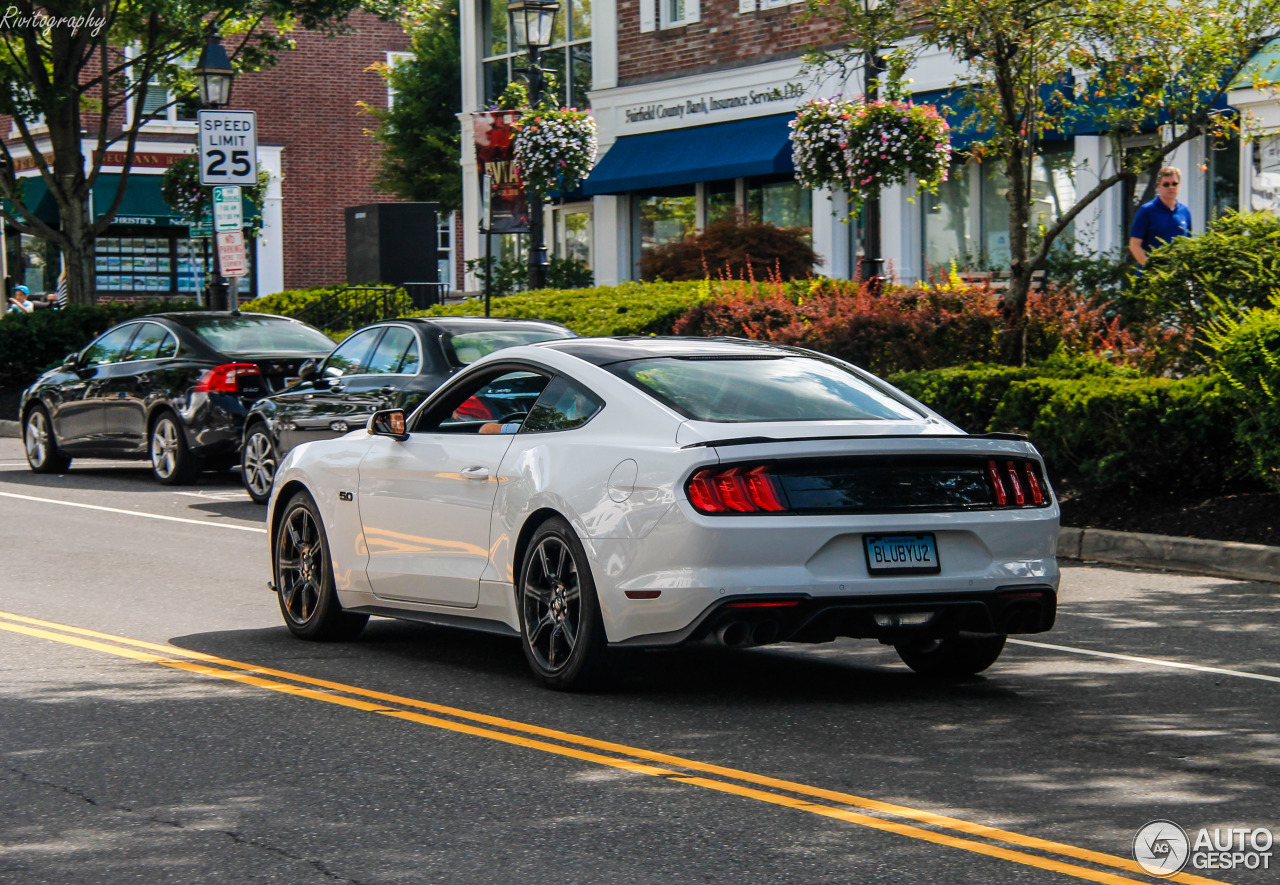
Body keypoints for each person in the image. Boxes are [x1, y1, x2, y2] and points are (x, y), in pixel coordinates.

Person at [1128, 167, 1192, 267]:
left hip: (1178, 277)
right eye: (1166, 184)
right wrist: (1150, 267)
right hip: (1151, 278)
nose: (1171, 187)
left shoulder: (1185, 211)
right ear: (1158, 186)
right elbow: (1134, 244)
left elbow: (1188, 244)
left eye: (1174, 183)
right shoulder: (1147, 210)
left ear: (1179, 185)